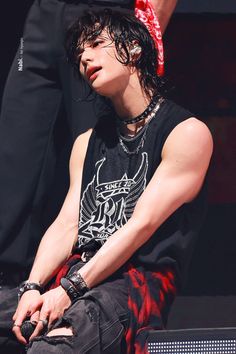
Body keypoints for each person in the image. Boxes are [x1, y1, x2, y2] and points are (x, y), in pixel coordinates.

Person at [0, 8, 213, 353]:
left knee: (50, 349)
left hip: (134, 286)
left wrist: (69, 290)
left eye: (97, 43)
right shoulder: (86, 142)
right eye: (80, 52)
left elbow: (141, 224)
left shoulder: (186, 133)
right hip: (74, 278)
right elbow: (68, 224)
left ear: (133, 49)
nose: (85, 57)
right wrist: (32, 287)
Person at [0, 0, 178, 291]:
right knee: (15, 150)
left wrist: (143, 30)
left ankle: (89, 285)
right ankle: (11, 284)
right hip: (44, 15)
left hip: (106, 13)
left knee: (101, 159)